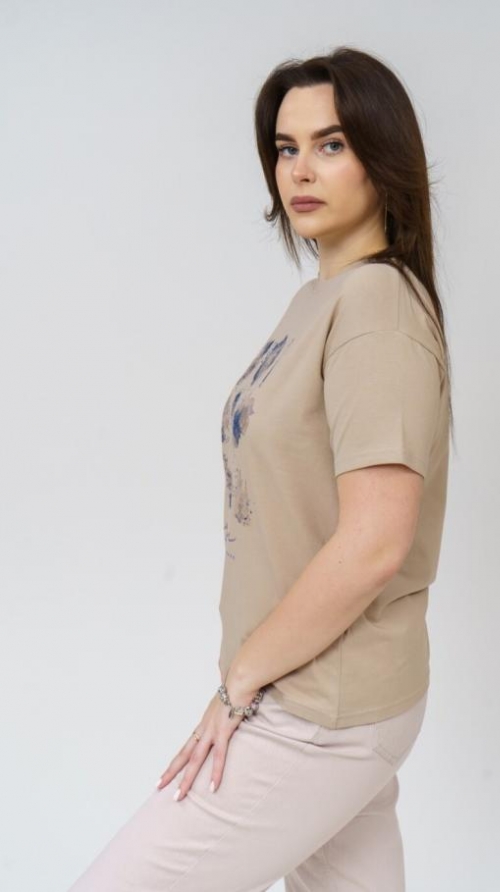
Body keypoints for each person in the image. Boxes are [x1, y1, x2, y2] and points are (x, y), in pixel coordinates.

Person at [67, 44, 454, 892]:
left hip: (319, 709)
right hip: (319, 691)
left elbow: (376, 541)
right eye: (286, 148)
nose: (300, 170)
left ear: (383, 157)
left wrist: (241, 684)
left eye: (331, 144)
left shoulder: (377, 310)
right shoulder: (325, 298)